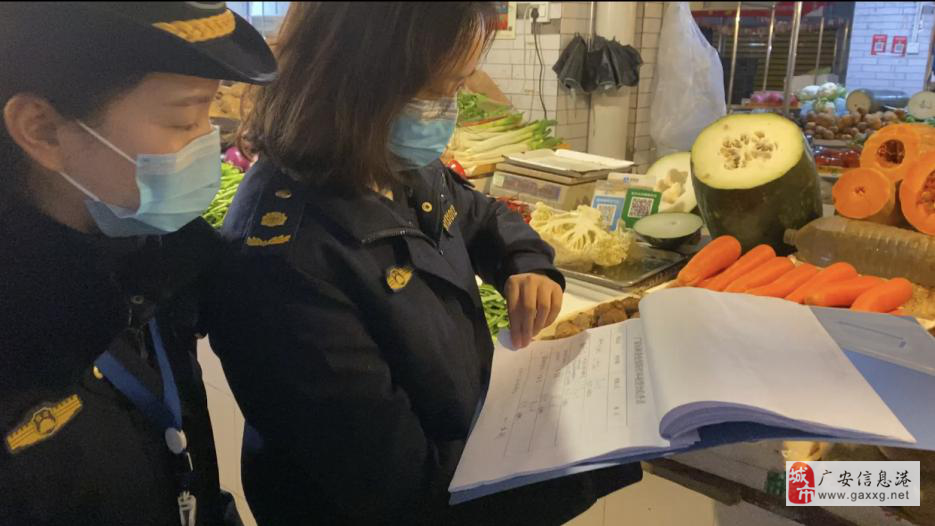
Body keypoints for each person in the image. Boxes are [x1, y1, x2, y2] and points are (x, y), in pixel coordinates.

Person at [209, 2, 642, 524]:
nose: (447, 111)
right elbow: (406, 494)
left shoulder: (382, 159)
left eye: (457, 88)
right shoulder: (284, 262)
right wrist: (598, 449)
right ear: (357, 77)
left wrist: (525, 262)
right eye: (436, 92)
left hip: (472, 447)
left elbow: (479, 213)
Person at [0, 3, 275, 525]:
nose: (207, 142)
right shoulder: (21, 348)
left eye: (209, 115)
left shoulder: (149, 258)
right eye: (183, 119)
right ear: (42, 130)